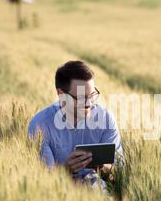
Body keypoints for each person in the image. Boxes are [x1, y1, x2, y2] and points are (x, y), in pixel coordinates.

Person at [27, 60, 123, 191]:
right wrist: (66, 170)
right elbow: (42, 183)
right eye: (82, 98)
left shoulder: (106, 120)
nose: (89, 103)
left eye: (92, 95)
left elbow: (120, 177)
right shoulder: (40, 125)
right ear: (61, 95)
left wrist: (103, 168)